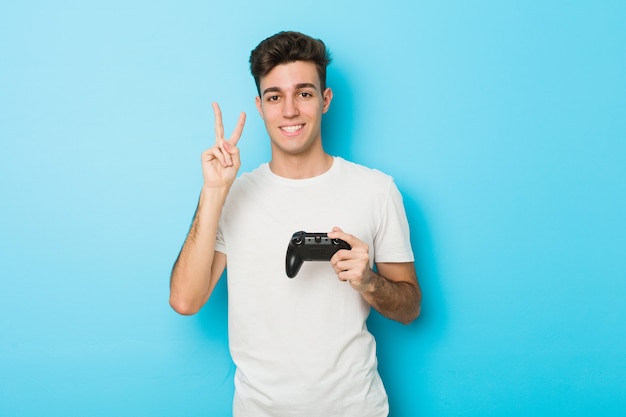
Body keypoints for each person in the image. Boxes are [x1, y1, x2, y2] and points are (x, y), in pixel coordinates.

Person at [170, 31, 422, 417]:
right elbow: (185, 301)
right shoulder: (231, 196)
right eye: (275, 96)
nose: (289, 110)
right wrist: (213, 191)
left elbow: (409, 309)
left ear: (325, 100)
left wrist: (367, 280)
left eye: (304, 93)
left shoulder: (376, 190)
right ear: (260, 106)